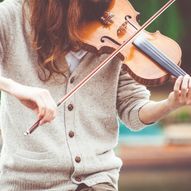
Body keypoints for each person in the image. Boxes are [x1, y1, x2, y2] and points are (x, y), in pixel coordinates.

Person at [0, 0, 190, 190]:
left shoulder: (116, 26)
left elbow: (133, 109)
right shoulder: (12, 17)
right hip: (28, 181)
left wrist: (170, 103)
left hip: (97, 179)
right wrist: (15, 88)